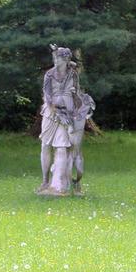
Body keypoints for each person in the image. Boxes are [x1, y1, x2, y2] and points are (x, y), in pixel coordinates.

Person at [37, 44, 94, 195]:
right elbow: (47, 96)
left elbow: (76, 94)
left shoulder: (73, 74)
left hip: (68, 114)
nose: (55, 60)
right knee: (45, 145)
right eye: (54, 58)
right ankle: (45, 180)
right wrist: (57, 111)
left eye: (58, 58)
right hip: (51, 114)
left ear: (66, 59)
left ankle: (60, 184)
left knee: (62, 147)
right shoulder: (49, 74)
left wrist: (83, 103)